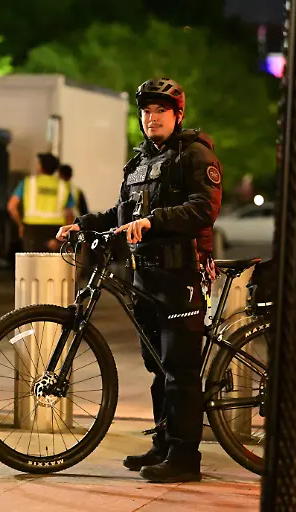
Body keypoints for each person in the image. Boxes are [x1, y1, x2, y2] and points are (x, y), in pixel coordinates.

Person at [57, 77, 223, 483]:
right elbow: (121, 213)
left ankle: (185, 458)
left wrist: (154, 221)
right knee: (157, 366)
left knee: (179, 367)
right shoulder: (140, 162)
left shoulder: (194, 154)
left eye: (160, 111)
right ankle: (164, 444)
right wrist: (81, 224)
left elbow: (204, 208)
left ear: (177, 114)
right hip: (145, 274)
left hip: (181, 272)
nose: (152, 118)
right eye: (146, 112)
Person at [8, 152, 74, 252]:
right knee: (54, 264)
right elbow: (69, 214)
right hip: (56, 230)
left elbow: (11, 206)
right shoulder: (63, 186)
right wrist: (68, 235)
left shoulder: (27, 183)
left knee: (32, 264)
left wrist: (21, 225)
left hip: (32, 230)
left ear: (40, 167)